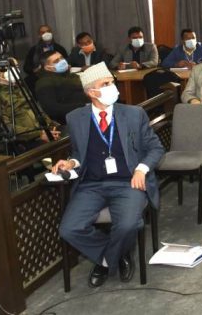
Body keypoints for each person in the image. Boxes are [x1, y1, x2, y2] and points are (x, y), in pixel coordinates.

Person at [52, 62, 164, 287]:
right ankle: (115, 254)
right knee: (69, 229)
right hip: (91, 185)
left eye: (112, 82)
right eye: (105, 84)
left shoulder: (134, 114)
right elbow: (79, 153)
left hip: (128, 182)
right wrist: (71, 163)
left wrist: (141, 169)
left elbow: (156, 148)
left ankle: (104, 262)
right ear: (91, 92)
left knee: (128, 225)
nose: (113, 87)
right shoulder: (75, 118)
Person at [35, 50, 89, 124]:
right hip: (71, 120)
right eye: (56, 61)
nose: (62, 61)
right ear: (48, 68)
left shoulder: (71, 76)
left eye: (62, 58)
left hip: (86, 112)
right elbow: (52, 109)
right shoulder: (44, 82)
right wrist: (84, 106)